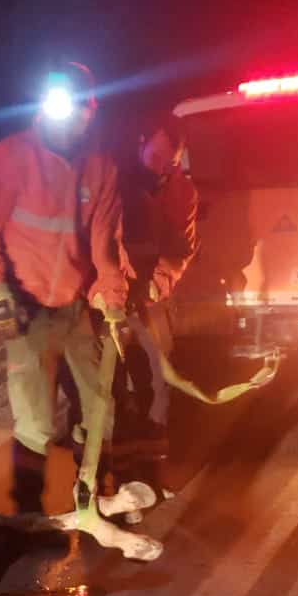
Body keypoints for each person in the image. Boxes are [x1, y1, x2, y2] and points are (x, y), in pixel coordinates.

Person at [0, 61, 128, 514]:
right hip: (26, 308)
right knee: (35, 420)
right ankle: (28, 517)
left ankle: (91, 498)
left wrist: (112, 296)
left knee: (100, 408)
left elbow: (105, 242)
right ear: (44, 109)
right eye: (61, 108)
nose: (71, 118)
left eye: (80, 109)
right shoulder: (9, 156)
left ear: (90, 112)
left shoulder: (101, 166)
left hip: (75, 309)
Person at [112, 114, 199, 501]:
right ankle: (112, 474)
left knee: (157, 380)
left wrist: (154, 286)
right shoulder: (117, 182)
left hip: (151, 298)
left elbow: (181, 249)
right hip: (113, 298)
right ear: (142, 144)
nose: (163, 163)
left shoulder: (181, 192)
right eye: (158, 153)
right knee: (112, 384)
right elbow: (100, 238)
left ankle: (149, 474)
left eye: (172, 158)